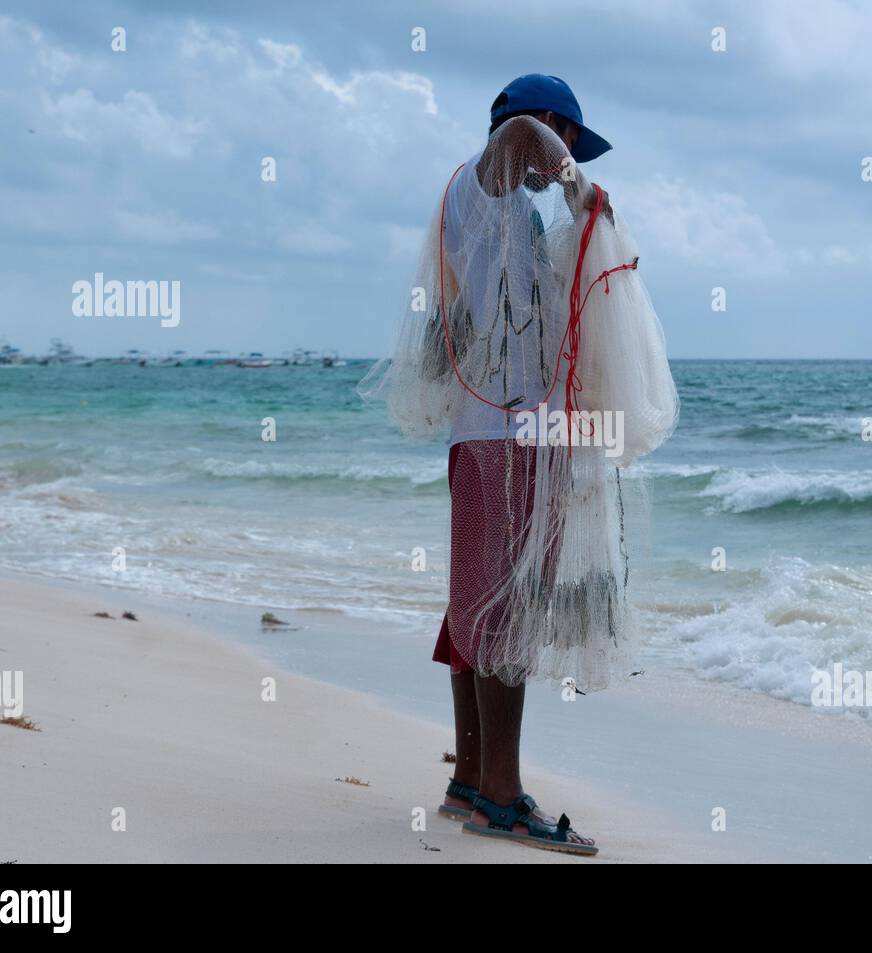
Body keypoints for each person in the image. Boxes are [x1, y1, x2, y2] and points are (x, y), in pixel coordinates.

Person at [362, 74, 677, 856]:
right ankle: (501, 796)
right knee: (504, 607)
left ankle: (471, 777)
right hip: (502, 438)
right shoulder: (483, 188)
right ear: (542, 127)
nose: (563, 159)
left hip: (500, 436)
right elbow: (511, 144)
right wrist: (571, 177)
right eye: (565, 140)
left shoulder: (508, 213)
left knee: (478, 601)